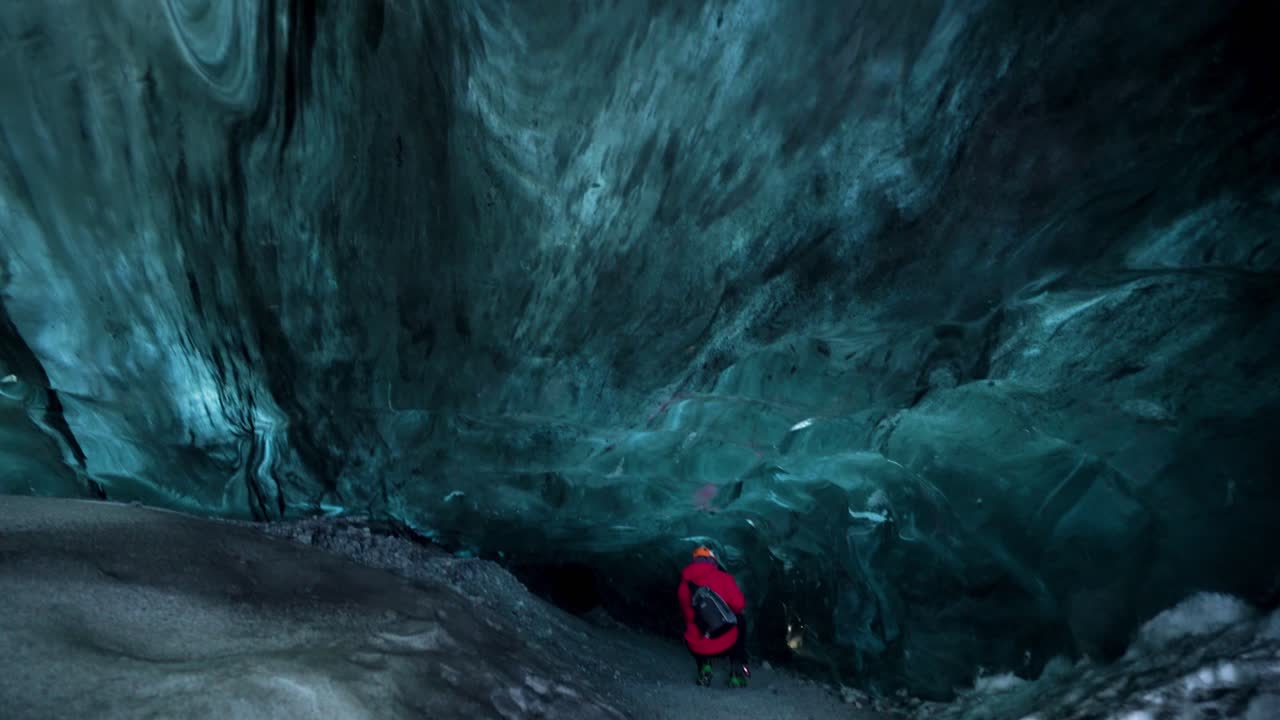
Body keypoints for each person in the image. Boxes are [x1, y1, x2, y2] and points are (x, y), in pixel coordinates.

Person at [677, 545, 750, 688]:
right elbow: (739, 604)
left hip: (700, 644)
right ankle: (736, 674)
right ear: (713, 561)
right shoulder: (723, 577)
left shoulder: (683, 587)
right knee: (740, 620)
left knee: (691, 626)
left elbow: (689, 617)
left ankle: (704, 666)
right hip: (727, 640)